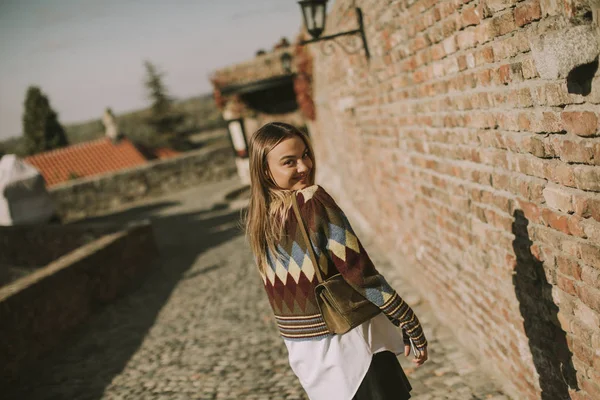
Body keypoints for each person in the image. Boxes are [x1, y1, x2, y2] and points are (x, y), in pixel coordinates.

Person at [245, 122, 428, 400]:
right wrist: (407, 320)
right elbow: (359, 272)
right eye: (289, 162)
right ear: (265, 170)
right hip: (352, 348)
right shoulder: (312, 202)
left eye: (305, 154)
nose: (304, 166)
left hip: (310, 359)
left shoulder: (261, 222)